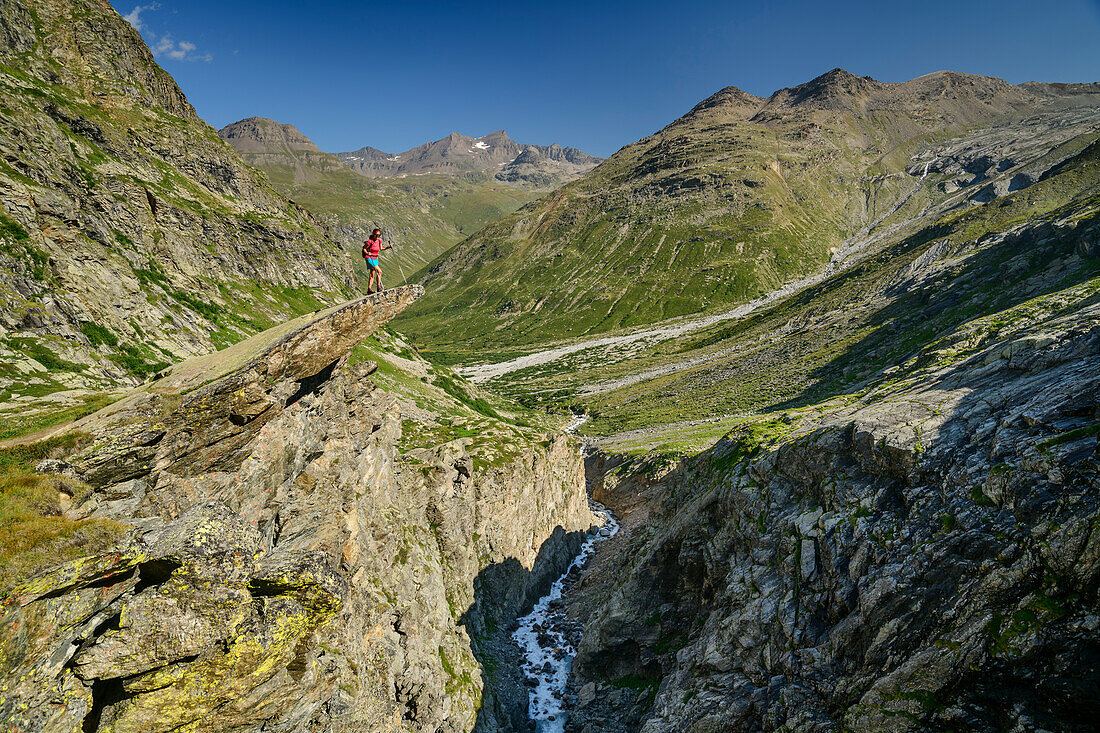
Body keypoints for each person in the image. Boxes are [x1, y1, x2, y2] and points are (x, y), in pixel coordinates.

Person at [362, 228, 392, 294]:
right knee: (379, 271)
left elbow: (381, 248)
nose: (377, 237)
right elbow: (364, 248)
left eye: (379, 235)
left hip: (375, 258)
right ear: (373, 234)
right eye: (376, 235)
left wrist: (388, 247)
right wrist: (367, 253)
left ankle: (369, 289)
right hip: (369, 258)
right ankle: (378, 287)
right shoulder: (370, 241)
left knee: (372, 274)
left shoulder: (379, 241)